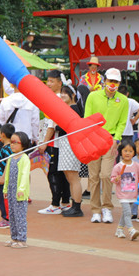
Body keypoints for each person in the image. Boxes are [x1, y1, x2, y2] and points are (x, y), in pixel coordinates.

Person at [84, 68, 129, 223]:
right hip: (94, 139)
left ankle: (107, 208)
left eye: (116, 81)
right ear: (104, 81)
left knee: (106, 175)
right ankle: (95, 210)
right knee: (94, 177)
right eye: (110, 81)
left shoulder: (123, 100)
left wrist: (116, 140)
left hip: (110, 140)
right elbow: (87, 118)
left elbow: (122, 122)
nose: (112, 84)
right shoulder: (93, 96)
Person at [37, 71, 72, 214]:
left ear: (60, 83)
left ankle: (55, 204)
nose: (49, 84)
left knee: (53, 173)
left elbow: (52, 124)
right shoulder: (60, 98)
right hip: (59, 142)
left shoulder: (56, 99)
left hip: (54, 142)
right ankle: (64, 202)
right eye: (48, 81)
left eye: (52, 81)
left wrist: (44, 142)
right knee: (62, 173)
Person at [110, 140, 139, 240]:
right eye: (125, 151)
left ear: (134, 153)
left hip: (133, 194)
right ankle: (131, 230)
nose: (127, 153)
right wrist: (116, 179)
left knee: (125, 213)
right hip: (122, 195)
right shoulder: (118, 166)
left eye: (130, 151)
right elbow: (112, 178)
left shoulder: (136, 166)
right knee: (127, 213)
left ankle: (119, 229)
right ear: (121, 152)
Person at [58, 85, 86, 217]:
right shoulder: (71, 108)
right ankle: (74, 204)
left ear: (73, 95)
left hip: (71, 145)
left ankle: (77, 206)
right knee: (71, 178)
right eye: (61, 93)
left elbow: (67, 126)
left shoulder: (74, 109)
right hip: (67, 144)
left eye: (65, 93)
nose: (62, 95)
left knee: (73, 178)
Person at [4, 131, 32, 249]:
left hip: (19, 192)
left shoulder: (24, 158)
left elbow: (25, 175)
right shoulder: (11, 157)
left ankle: (22, 239)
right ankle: (14, 237)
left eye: (15, 142)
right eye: (11, 142)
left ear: (23, 145)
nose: (12, 145)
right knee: (12, 214)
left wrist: (21, 189)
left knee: (20, 215)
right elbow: (7, 175)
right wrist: (5, 188)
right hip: (11, 190)